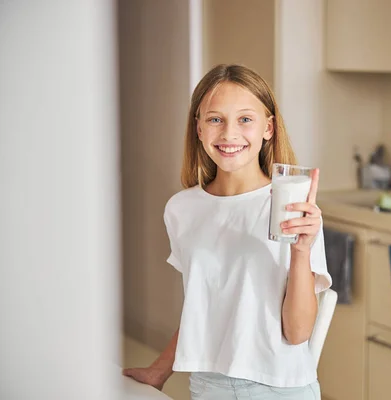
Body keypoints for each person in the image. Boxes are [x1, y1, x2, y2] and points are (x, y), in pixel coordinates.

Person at [123, 64, 332, 399]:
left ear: (269, 128)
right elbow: (205, 307)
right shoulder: (181, 209)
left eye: (245, 119)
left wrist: (301, 251)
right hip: (207, 385)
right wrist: (159, 371)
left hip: (280, 387)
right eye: (215, 119)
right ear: (198, 128)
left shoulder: (291, 207)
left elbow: (297, 333)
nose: (229, 134)